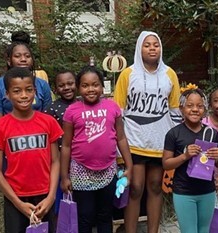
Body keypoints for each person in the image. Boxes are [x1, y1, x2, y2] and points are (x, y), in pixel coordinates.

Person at [113, 31, 181, 233]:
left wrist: (175, 143)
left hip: (160, 142)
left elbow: (175, 110)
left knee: (155, 187)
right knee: (135, 188)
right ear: (139, 48)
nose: (152, 48)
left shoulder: (169, 74)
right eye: (147, 45)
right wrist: (119, 147)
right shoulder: (128, 74)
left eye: (156, 45)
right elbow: (119, 111)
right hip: (133, 140)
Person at [60, 65, 133, 233]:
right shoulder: (72, 111)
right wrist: (65, 177)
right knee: (85, 216)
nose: (91, 89)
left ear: (102, 86)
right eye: (85, 85)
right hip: (80, 171)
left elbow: (121, 138)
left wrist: (129, 166)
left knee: (105, 215)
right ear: (79, 88)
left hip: (108, 171)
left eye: (95, 84)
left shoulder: (112, 107)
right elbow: (66, 145)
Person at [0, 67, 63, 233]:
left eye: (28, 90)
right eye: (17, 91)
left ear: (35, 92)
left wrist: (51, 197)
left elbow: (55, 161)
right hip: (15, 198)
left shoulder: (48, 122)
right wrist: (18, 204)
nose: (24, 95)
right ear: (7, 95)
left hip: (45, 197)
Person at [162, 86, 218, 233]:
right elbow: (166, 164)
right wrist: (185, 156)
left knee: (204, 230)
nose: (195, 109)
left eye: (199, 106)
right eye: (190, 106)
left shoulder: (211, 133)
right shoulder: (174, 134)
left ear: (205, 109)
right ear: (181, 108)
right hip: (184, 192)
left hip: (207, 191)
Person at [0, 32, 52, 123]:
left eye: (27, 56)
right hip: (9, 134)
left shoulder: (42, 85)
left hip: (38, 133)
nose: (23, 59)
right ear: (9, 61)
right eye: (17, 56)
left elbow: (48, 119)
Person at [44, 70, 77, 214]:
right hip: (61, 160)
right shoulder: (51, 109)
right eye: (62, 85)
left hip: (82, 160)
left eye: (70, 83)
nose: (67, 87)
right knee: (63, 200)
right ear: (55, 89)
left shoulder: (83, 104)